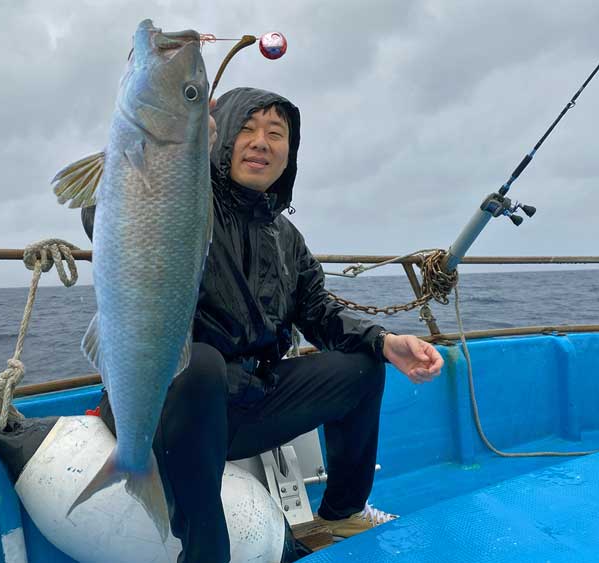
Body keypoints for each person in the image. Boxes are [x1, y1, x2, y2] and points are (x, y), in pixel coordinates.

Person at [81, 87, 444, 563]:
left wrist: (385, 341)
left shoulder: (285, 236)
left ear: (290, 152)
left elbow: (319, 310)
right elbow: (105, 211)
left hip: (245, 404)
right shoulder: (186, 200)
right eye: (247, 129)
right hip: (162, 408)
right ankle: (205, 553)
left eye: (276, 133)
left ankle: (342, 514)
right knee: (198, 363)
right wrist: (171, 148)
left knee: (362, 365)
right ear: (221, 137)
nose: (260, 142)